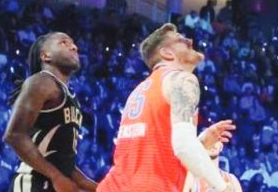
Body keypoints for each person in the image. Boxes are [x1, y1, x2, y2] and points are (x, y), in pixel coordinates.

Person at [97, 23, 236, 192]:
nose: (190, 40)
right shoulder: (181, 79)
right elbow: (183, 146)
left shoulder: (140, 90)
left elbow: (155, 153)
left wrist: (200, 143)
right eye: (181, 39)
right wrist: (222, 186)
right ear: (167, 53)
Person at [3, 32, 97, 192]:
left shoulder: (70, 97)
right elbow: (14, 135)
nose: (74, 47)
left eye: (73, 43)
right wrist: (57, 177)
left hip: (52, 183)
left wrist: (103, 188)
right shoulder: (41, 81)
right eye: (63, 43)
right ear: (46, 56)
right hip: (32, 183)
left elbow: (64, 165)